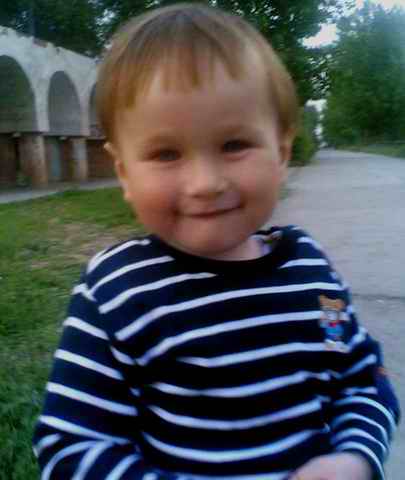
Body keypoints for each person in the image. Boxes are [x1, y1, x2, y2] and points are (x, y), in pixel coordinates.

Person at [33, 4, 400, 480]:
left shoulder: (311, 274)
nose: (205, 183)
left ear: (281, 153)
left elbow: (363, 383)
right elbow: (69, 446)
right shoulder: (116, 291)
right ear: (124, 172)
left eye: (233, 145)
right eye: (166, 153)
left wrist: (355, 458)